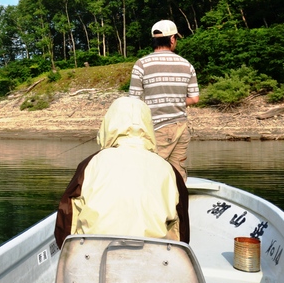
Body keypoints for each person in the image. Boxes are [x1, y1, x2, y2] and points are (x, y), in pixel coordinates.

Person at [54, 97, 189, 249]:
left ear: (108, 124)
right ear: (148, 126)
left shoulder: (89, 165)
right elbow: (181, 233)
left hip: (92, 257)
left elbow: (66, 222)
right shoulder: (168, 170)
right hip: (152, 261)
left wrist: (68, 251)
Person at [129, 19, 199, 181]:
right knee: (178, 177)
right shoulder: (186, 65)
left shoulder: (141, 65)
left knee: (151, 176)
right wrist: (176, 101)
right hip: (181, 128)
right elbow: (194, 98)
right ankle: (179, 205)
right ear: (172, 39)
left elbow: (133, 101)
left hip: (155, 130)